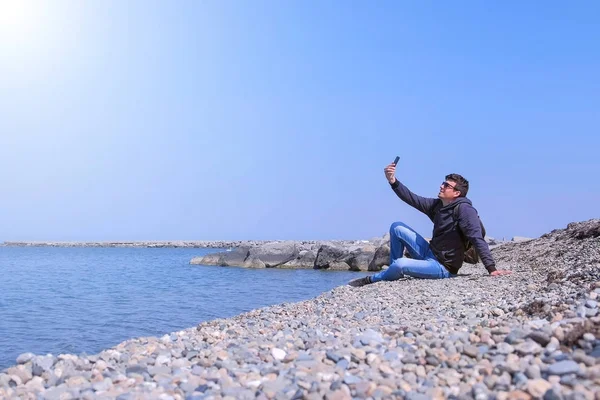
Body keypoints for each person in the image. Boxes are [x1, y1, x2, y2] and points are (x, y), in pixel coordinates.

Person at [348, 162, 511, 287]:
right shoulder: (438, 206)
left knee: (401, 264)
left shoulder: (465, 210)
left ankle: (375, 278)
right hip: (429, 253)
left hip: (443, 267)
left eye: (447, 185)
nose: (441, 186)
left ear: (456, 193)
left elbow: (477, 238)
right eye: (443, 183)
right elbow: (411, 198)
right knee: (396, 227)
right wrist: (392, 181)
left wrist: (492, 269)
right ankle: (393, 271)